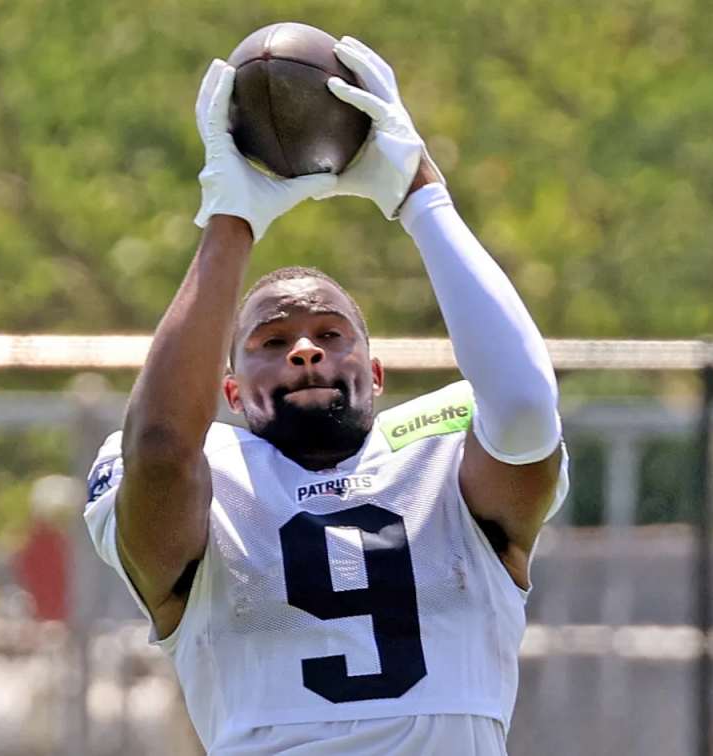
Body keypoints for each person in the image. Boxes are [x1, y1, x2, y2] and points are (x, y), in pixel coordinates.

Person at [85, 35, 569, 756]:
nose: (305, 350)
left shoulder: (446, 458)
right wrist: (230, 219)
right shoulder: (210, 478)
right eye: (271, 341)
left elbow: (527, 406)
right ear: (230, 392)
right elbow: (159, 450)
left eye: (330, 333)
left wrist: (420, 192)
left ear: (376, 374)